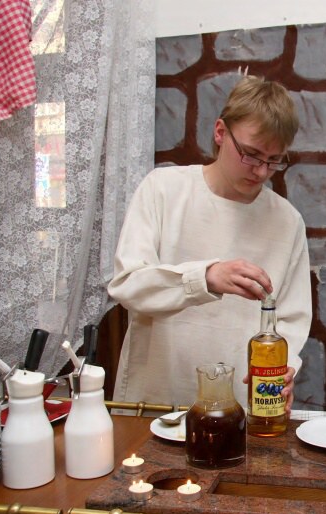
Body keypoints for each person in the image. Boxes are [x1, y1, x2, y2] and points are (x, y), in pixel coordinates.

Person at [108, 75, 312, 411]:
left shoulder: (287, 222)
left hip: (239, 409)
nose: (261, 171)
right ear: (220, 132)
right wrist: (204, 277)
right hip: (154, 404)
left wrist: (284, 368)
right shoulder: (163, 189)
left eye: (274, 160)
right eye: (251, 154)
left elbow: (291, 321)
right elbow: (128, 285)